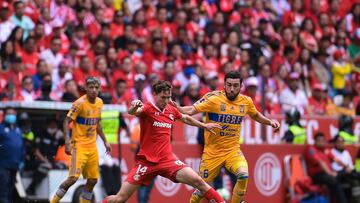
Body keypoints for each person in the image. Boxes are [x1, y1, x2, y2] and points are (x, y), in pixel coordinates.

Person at [102, 80, 226, 203]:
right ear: (154, 94)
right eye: (163, 97)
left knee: (199, 182)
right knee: (120, 199)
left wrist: (204, 126)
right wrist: (134, 107)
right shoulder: (148, 108)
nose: (166, 101)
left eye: (168, 97)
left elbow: (186, 118)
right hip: (147, 162)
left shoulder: (170, 110)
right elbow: (133, 112)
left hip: (167, 161)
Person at [174, 70, 281, 203]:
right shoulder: (213, 98)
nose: (231, 89)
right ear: (224, 84)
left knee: (243, 175)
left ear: (241, 86)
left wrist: (270, 122)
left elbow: (256, 115)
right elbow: (189, 110)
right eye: (228, 85)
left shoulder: (246, 101)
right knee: (200, 189)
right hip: (212, 153)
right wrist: (175, 107)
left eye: (235, 86)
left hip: (232, 151)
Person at [50, 77, 111, 203]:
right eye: (91, 87)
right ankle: (53, 201)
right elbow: (66, 121)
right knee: (72, 178)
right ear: (85, 88)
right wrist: (67, 142)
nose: (94, 90)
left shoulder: (100, 103)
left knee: (93, 180)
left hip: (92, 147)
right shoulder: (79, 103)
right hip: (79, 146)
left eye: (96, 87)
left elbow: (97, 123)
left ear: (99, 89)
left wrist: (105, 141)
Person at [305, 132, 349, 203]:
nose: (323, 142)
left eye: (323, 140)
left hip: (327, 174)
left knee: (347, 174)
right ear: (316, 141)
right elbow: (320, 163)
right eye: (320, 141)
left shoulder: (325, 150)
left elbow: (336, 159)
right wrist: (330, 173)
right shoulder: (311, 149)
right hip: (317, 175)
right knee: (333, 181)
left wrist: (346, 167)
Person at [0, 107, 24, 203]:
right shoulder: (1, 129)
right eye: (9, 114)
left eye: (13, 114)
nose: (11, 116)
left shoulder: (17, 129)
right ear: (5, 115)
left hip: (15, 165)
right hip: (3, 165)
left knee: (11, 189)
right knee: (3, 189)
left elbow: (21, 146)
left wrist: (22, 160)